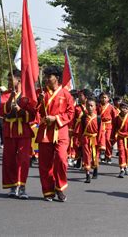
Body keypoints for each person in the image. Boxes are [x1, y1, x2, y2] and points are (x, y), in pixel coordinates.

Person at [36, 66, 75, 202]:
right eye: (45, 76)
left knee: (61, 159)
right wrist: (39, 102)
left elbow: (70, 113)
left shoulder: (66, 94)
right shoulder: (40, 93)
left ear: (56, 78)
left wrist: (56, 118)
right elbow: (34, 112)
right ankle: (48, 191)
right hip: (45, 131)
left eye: (49, 76)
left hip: (61, 131)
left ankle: (60, 186)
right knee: (45, 163)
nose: (46, 79)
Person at [0, 70, 36, 199]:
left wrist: (20, 111)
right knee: (9, 160)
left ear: (19, 80)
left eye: (11, 80)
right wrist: (11, 98)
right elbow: (3, 111)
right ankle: (12, 186)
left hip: (23, 132)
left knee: (23, 160)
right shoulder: (5, 94)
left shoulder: (28, 95)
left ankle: (22, 186)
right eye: (8, 80)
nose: (9, 83)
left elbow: (32, 115)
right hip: (9, 131)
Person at [112, 102, 128, 178]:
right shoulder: (116, 118)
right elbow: (114, 128)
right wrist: (112, 137)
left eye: (126, 108)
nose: (124, 110)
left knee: (127, 152)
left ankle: (126, 166)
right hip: (120, 137)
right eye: (123, 108)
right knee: (121, 152)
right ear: (119, 109)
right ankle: (122, 169)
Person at [81, 97, 100, 183]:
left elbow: (101, 132)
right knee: (86, 156)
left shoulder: (98, 118)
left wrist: (101, 143)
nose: (90, 108)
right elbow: (80, 130)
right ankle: (87, 174)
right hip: (86, 139)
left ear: (95, 107)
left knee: (95, 155)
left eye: (92, 106)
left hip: (95, 139)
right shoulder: (83, 117)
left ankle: (95, 169)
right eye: (88, 106)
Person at [70, 89, 89, 168]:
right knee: (76, 144)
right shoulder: (76, 107)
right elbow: (72, 119)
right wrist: (71, 128)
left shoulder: (90, 106)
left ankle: (85, 162)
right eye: (79, 96)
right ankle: (78, 159)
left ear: (86, 97)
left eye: (81, 96)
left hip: (86, 129)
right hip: (77, 129)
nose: (79, 97)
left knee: (85, 146)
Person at [97, 92, 116, 164]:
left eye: (105, 97)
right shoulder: (98, 106)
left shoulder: (111, 107)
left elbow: (114, 118)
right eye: (102, 97)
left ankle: (108, 156)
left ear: (108, 99)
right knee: (100, 139)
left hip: (108, 125)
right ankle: (100, 154)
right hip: (100, 125)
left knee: (108, 140)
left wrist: (115, 127)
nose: (104, 99)